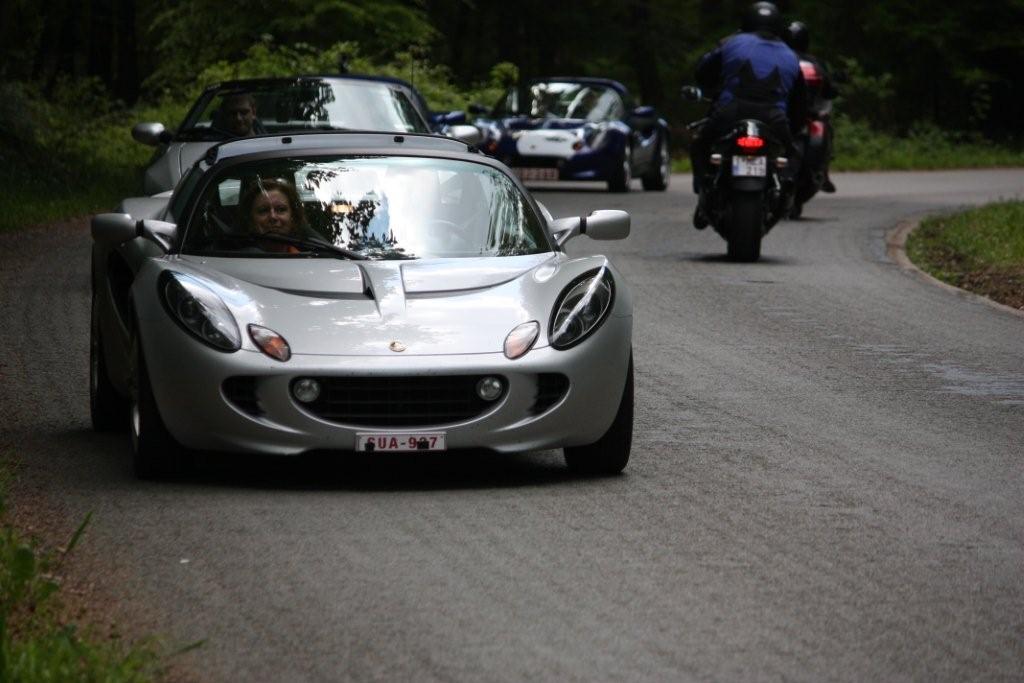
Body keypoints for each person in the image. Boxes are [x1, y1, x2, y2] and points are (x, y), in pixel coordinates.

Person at [688, 1, 807, 229]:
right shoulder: (791, 56)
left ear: (746, 22)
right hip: (774, 117)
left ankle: (703, 193)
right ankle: (786, 194)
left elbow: (703, 72)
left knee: (700, 145)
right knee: (793, 154)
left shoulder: (731, 43)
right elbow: (799, 102)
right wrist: (793, 132)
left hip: (731, 111)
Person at [785, 20, 837, 193]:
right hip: (808, 113)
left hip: (781, 111)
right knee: (825, 125)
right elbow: (830, 90)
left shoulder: (778, 58)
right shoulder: (815, 62)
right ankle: (823, 172)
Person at [239, 178, 306, 253]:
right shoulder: (236, 259)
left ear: (293, 217)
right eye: (263, 210)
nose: (273, 217)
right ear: (251, 220)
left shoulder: (305, 259)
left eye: (281, 209)